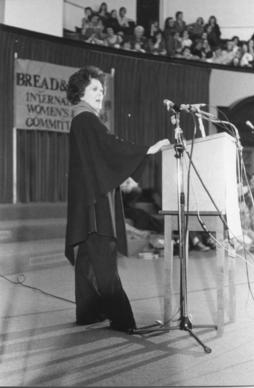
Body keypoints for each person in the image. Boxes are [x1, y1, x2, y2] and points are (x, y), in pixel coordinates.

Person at [65, 66, 170, 333]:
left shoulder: (80, 119)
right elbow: (111, 146)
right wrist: (147, 149)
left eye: (102, 90)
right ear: (81, 91)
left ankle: (88, 312)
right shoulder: (87, 119)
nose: (101, 94)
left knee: (88, 258)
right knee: (104, 261)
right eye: (95, 89)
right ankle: (124, 321)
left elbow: (101, 155)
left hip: (85, 203)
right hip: (96, 205)